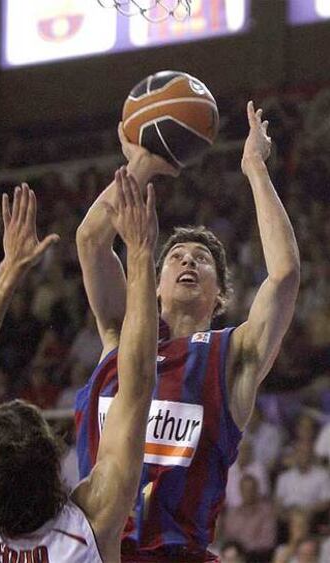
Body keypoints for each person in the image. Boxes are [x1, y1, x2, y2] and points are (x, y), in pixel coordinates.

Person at [75, 101, 300, 562]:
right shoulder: (119, 339)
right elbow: (91, 242)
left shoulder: (231, 354)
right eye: (176, 256)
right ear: (154, 285)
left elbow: (284, 275)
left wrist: (256, 168)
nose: (188, 261)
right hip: (91, 551)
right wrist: (142, 163)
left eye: (202, 259)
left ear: (220, 296)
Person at [0, 179, 159, 562]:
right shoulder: (91, 522)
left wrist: (8, 271)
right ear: (56, 466)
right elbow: (138, 382)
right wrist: (141, 254)